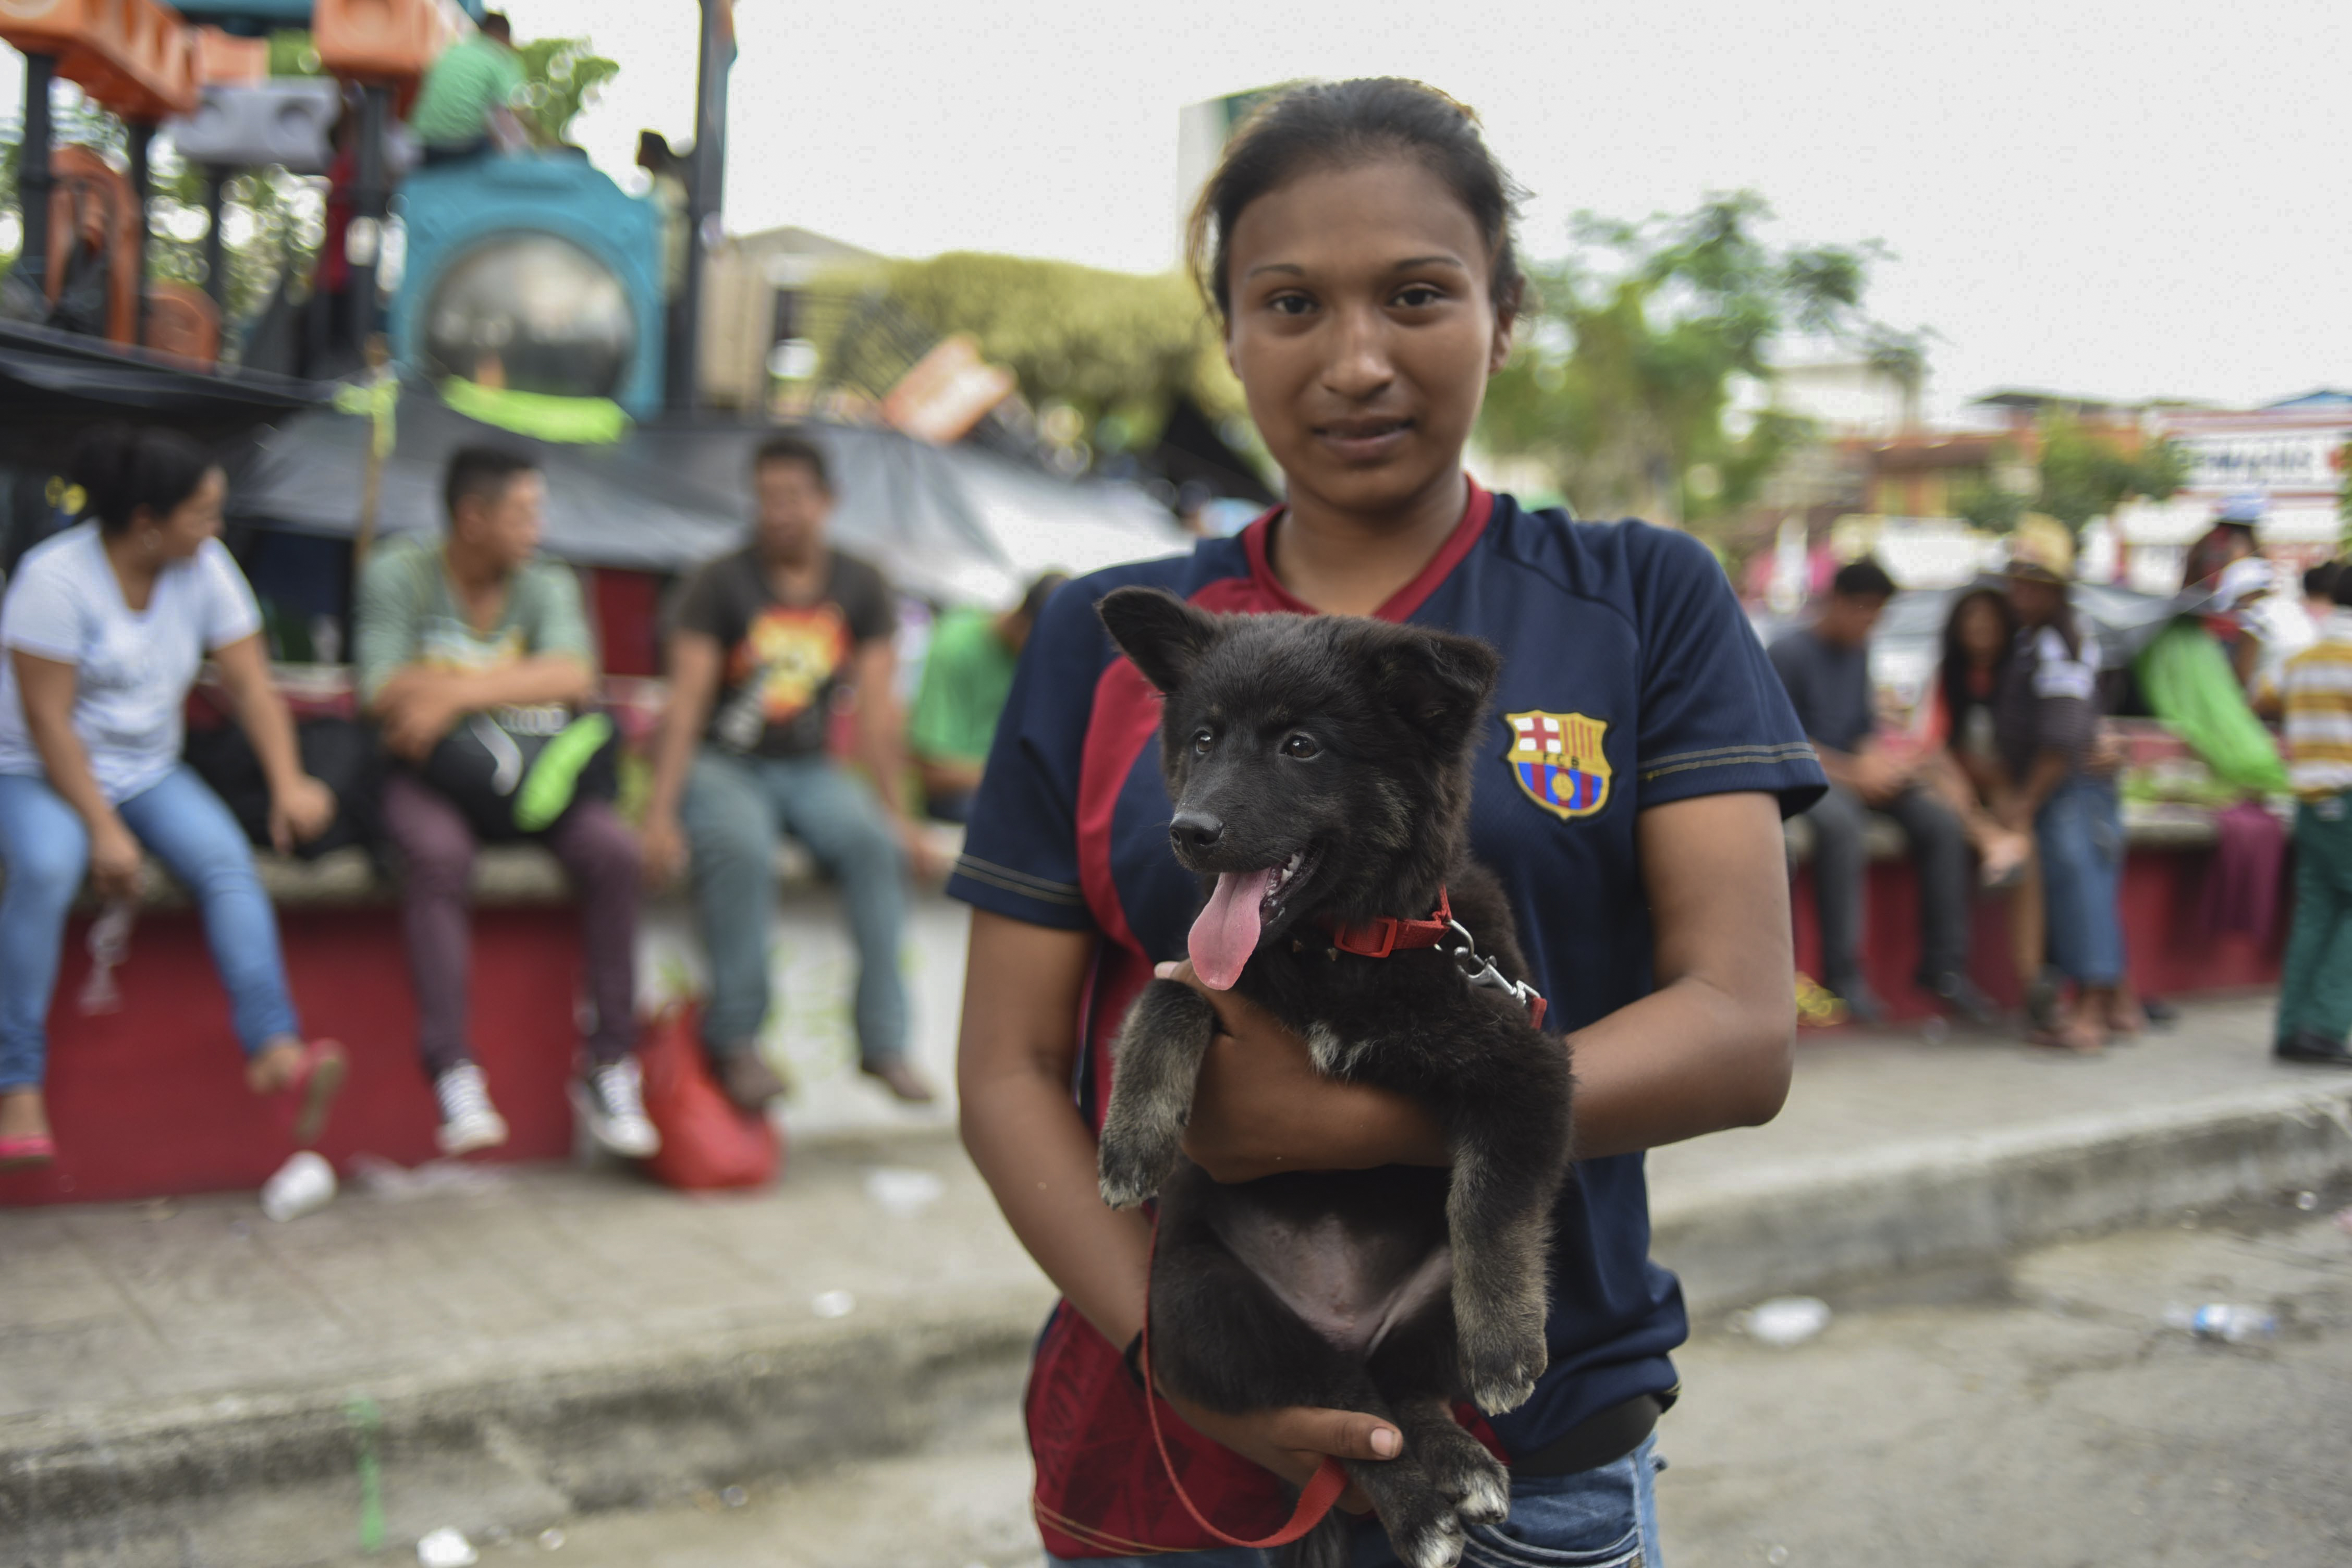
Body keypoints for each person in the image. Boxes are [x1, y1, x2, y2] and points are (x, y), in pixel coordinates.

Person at [950, 78, 1824, 1566]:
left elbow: (1741, 1031)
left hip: (1531, 1454)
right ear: (1225, 329)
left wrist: (1337, 1122)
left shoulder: (1638, 600)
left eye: (1417, 295)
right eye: (1289, 304)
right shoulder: (1113, 643)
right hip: (1181, 1446)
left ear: (1505, 308)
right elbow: (1010, 1068)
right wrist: (1183, 1358)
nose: (1356, 360)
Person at [0, 426, 345, 1166]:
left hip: (146, 769)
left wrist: (288, 781)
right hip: (31, 767)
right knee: (49, 867)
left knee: (224, 860)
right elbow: (48, 722)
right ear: (148, 523)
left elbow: (251, 683)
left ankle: (275, 1048)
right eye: (203, 513)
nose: (217, 527)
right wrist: (101, 829)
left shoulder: (205, 566)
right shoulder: (52, 581)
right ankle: (16, 1085)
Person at [357, 446, 656, 1159]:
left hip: (535, 780)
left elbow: (574, 674)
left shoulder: (548, 581)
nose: (537, 525)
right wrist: (516, 685)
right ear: (472, 516)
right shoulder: (399, 572)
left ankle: (612, 1063)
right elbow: (382, 690)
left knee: (616, 852)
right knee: (437, 856)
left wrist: (452, 693)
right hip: (432, 779)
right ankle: (453, 1069)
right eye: (523, 512)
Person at [641, 434, 939, 1112]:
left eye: (793, 498)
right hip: (724, 763)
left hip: (809, 767)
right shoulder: (718, 582)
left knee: (874, 847)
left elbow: (876, 714)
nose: (778, 512)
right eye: (766, 497)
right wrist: (657, 817)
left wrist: (899, 815)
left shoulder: (861, 583)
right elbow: (683, 707)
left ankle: (885, 1042)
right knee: (740, 850)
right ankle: (738, 1039)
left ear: (826, 502)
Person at [1768, 557, 1993, 1026]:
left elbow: (1862, 727)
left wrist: (1881, 765)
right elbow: (1783, 740)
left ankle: (1943, 966)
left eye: (1877, 613)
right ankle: (1843, 974)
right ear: (1835, 601)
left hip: (1853, 772)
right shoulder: (1788, 654)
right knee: (1843, 827)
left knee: (1938, 820)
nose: (1869, 622)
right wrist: (1856, 772)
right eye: (1863, 610)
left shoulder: (1860, 652)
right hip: (1806, 778)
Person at [1996, 522, 2140, 1054]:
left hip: (2072, 788)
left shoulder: (2059, 638)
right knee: (2086, 892)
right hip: (2073, 785)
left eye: (2031, 582)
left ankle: (2089, 1014)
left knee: (2082, 895)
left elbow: (2061, 735)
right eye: (2016, 580)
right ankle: (2119, 1005)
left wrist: (2026, 799)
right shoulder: (2040, 636)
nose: (2019, 592)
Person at [1927, 584, 2041, 968]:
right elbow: (1934, 739)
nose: (1979, 628)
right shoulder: (1951, 674)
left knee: (2015, 816)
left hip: (2006, 781)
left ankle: (2031, 971)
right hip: (1963, 778)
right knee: (1942, 776)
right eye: (1971, 621)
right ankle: (1995, 843)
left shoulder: (2021, 672)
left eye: (1988, 621)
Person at [2273, 561, 2352, 1067]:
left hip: (2308, 800)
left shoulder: (2301, 658)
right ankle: (2324, 1024)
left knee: (2316, 912)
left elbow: (2265, 701)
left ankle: (2291, 1027)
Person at [909, 572, 1068, 824]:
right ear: (1021, 621)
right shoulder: (957, 647)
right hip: (963, 800)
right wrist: (1017, 778)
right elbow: (933, 775)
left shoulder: (1041, 664)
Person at [406, 13, 528, 166]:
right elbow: (505, 114)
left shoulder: (454, 50)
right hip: (463, 144)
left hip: (422, 141)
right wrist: (522, 151)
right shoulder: (502, 58)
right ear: (506, 39)